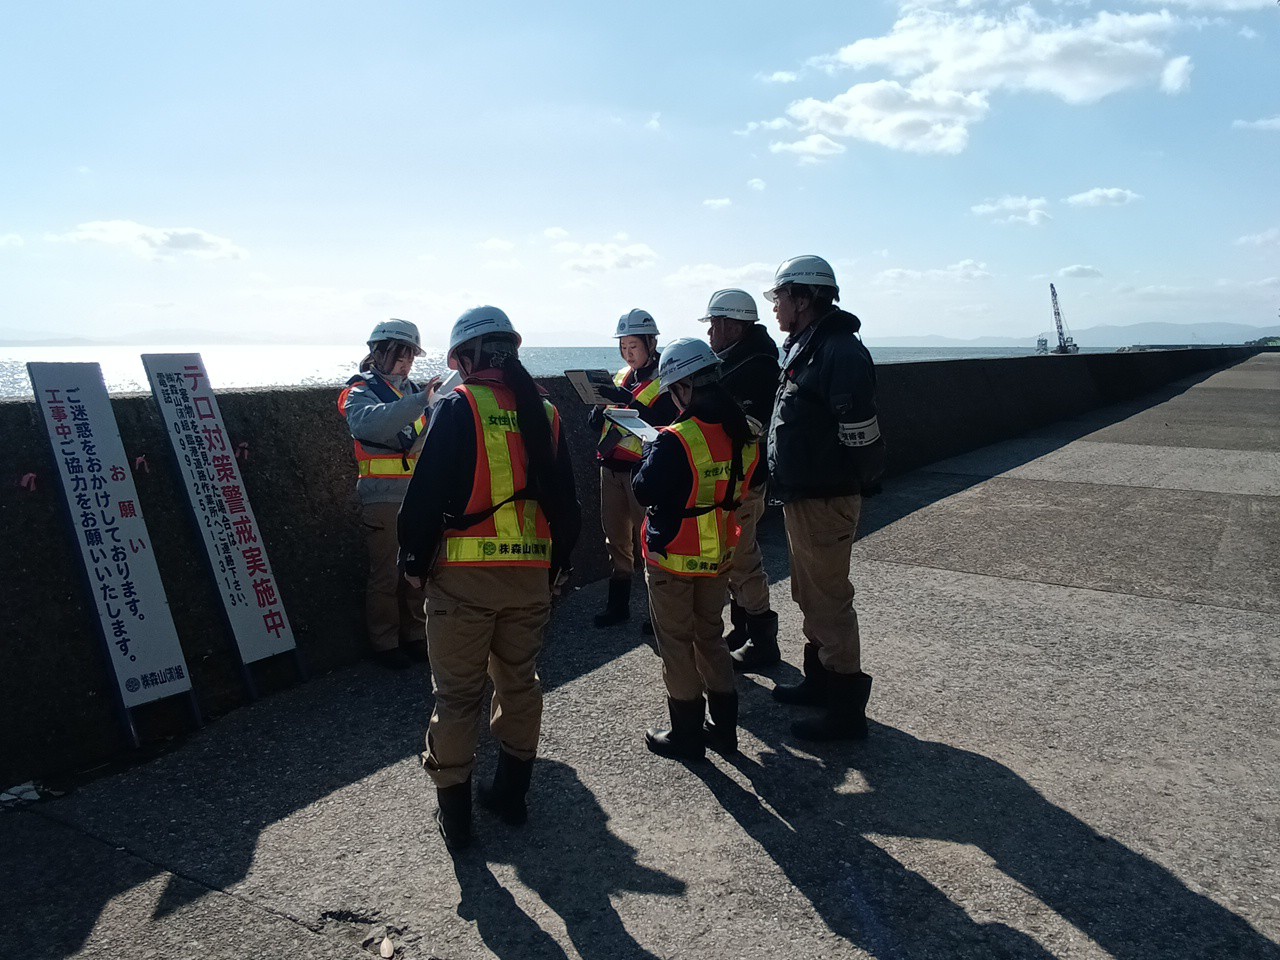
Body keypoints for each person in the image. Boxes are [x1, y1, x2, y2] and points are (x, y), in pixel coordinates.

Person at [398, 306, 581, 852]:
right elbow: (566, 506)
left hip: (464, 581)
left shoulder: (459, 406)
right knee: (518, 683)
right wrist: (556, 567)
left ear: (468, 357)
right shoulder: (544, 412)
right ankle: (512, 796)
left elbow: (425, 496)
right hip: (529, 579)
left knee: (457, 698)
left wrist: (411, 562)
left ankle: (456, 822)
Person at [764, 256, 885, 741]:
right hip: (805, 494)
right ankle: (819, 683)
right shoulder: (808, 347)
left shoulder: (837, 352)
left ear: (804, 298)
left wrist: (848, 485)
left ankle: (845, 709)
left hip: (824, 495)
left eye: (780, 297)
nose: (775, 307)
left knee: (829, 600)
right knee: (808, 593)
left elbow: (860, 431)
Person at [632, 338, 760, 761]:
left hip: (672, 556)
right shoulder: (745, 432)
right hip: (719, 554)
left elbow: (643, 489)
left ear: (683, 388)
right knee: (711, 638)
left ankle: (686, 734)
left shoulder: (675, 439)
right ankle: (724, 731)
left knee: (677, 645)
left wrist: (649, 451)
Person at [338, 319, 440, 670]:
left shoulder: (414, 391)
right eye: (399, 354)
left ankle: (415, 634)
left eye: (410, 355)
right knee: (385, 574)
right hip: (380, 497)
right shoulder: (359, 391)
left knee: (417, 567)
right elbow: (369, 424)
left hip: (418, 495)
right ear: (377, 353)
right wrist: (420, 400)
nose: (405, 362)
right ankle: (384, 642)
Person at [698, 289, 782, 670]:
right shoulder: (741, 359)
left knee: (744, 559)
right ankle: (745, 629)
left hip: (745, 480)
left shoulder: (756, 369)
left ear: (733, 326)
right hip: (734, 478)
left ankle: (763, 642)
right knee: (733, 559)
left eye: (714, 324)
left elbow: (749, 427)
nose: (711, 333)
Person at [588, 309, 678, 629]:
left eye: (634, 346)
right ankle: (618, 606)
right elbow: (607, 416)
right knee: (616, 541)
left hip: (640, 471)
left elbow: (662, 425)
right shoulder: (618, 378)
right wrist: (598, 414)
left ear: (651, 343)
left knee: (648, 544)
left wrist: (625, 400)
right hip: (610, 468)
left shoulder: (666, 382)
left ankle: (657, 613)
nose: (628, 353)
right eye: (624, 347)